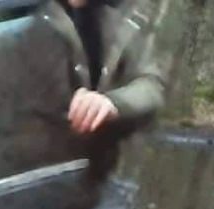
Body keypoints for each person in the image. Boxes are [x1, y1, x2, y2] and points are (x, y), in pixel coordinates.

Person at [44, 0, 164, 137]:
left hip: (91, 147)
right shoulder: (27, 15)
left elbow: (151, 85)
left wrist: (112, 102)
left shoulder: (117, 16)